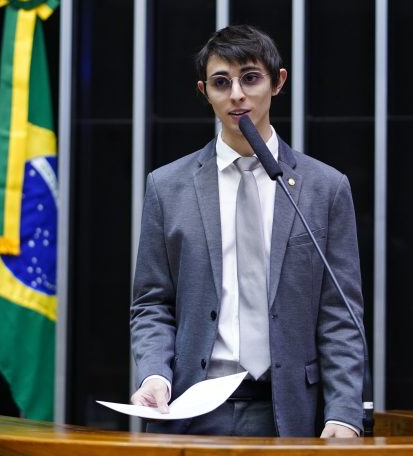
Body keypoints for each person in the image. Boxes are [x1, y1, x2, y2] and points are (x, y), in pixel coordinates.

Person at [130, 25, 365, 438]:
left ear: (278, 82)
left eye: (250, 78)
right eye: (222, 83)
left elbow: (340, 314)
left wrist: (343, 413)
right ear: (205, 92)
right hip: (191, 410)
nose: (237, 94)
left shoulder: (325, 188)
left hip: (289, 411)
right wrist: (153, 374)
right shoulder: (167, 187)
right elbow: (152, 303)